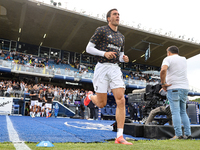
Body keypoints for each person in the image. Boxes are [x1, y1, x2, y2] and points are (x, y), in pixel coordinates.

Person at [84, 8, 132, 145]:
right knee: (101, 103)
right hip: (102, 67)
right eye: (115, 14)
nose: (117, 16)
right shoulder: (101, 30)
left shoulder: (122, 37)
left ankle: (120, 136)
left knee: (121, 100)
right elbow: (89, 48)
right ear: (108, 18)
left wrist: (125, 59)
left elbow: (121, 56)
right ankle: (89, 97)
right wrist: (104, 53)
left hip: (115, 69)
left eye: (118, 14)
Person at [160, 46, 192, 140]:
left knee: (175, 112)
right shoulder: (184, 59)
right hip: (185, 87)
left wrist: (163, 84)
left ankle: (178, 135)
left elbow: (163, 70)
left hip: (173, 88)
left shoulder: (168, 58)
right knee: (183, 112)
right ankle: (188, 134)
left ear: (169, 52)